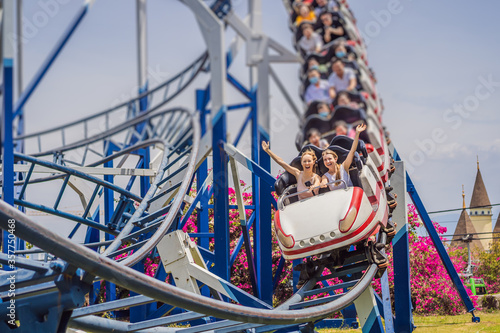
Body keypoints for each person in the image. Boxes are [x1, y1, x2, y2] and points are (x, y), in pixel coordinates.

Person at [320, 124, 366, 191]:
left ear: (335, 159)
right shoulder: (325, 176)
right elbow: (324, 181)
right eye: (325, 160)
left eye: (329, 159)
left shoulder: (344, 167)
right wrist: (322, 183)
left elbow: (352, 151)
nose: (327, 161)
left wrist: (357, 133)